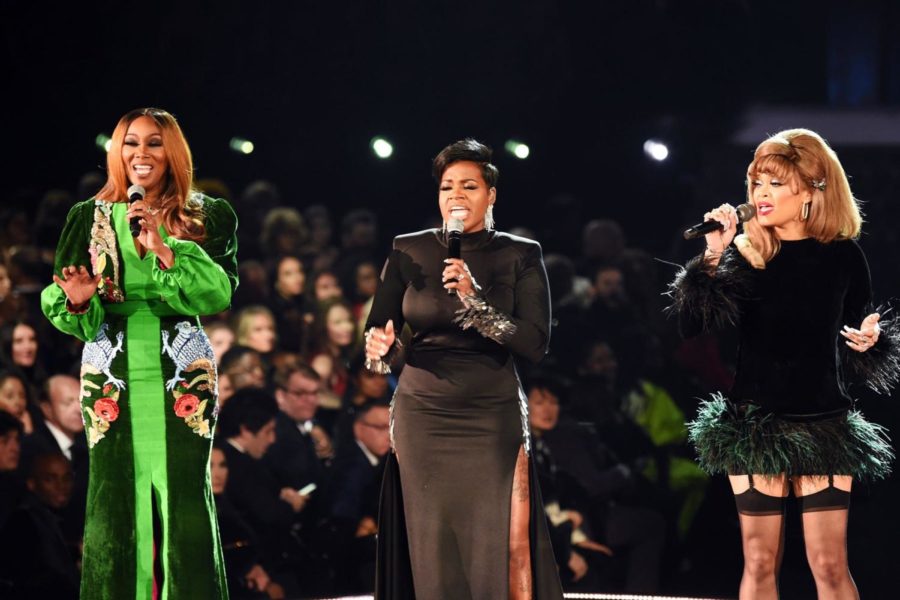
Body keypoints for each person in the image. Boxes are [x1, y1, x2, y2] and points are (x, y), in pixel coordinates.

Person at [668, 129, 897, 600]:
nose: (761, 195)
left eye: (774, 183)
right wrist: (712, 254)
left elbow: (859, 335)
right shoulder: (745, 254)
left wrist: (870, 341)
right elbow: (691, 327)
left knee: (830, 564)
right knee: (758, 559)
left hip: (824, 423)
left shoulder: (843, 256)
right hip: (754, 422)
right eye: (756, 184)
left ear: (813, 187)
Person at [40, 107, 238, 599]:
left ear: (173, 153)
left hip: (181, 368)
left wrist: (166, 248)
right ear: (117, 152)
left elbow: (218, 293)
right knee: (112, 501)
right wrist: (78, 300)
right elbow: (61, 298)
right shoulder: (87, 217)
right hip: (111, 367)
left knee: (186, 501)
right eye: (131, 143)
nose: (141, 154)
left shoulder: (207, 214)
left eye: (153, 143)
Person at [365, 138, 563, 599]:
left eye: (469, 186)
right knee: (431, 543)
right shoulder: (406, 249)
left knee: (496, 542)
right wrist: (379, 349)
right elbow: (381, 339)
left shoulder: (520, 254)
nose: (456, 195)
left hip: (490, 411)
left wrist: (475, 300)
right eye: (447, 186)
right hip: (422, 412)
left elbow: (535, 344)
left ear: (490, 194)